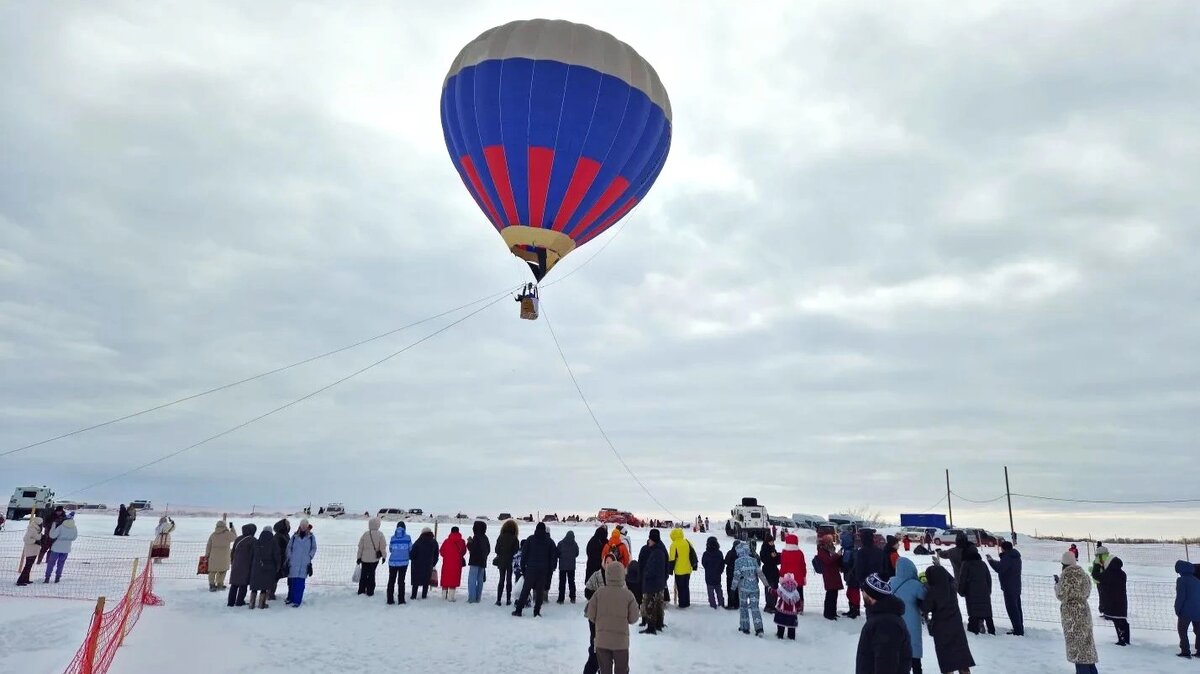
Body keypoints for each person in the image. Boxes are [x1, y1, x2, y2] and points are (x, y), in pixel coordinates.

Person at [585, 560, 641, 674]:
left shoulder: (599, 593)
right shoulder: (628, 595)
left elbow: (590, 615)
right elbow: (634, 618)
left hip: (602, 642)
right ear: (622, 575)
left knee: (605, 671)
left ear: (607, 574)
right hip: (621, 643)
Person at [855, 573, 912, 674]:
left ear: (872, 596)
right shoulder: (880, 617)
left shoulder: (886, 624)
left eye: (863, 590)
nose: (862, 593)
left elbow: (886, 666)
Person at [923, 563, 975, 674]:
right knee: (961, 655)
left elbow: (925, 608)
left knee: (946, 658)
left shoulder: (932, 591)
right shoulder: (952, 588)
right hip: (956, 625)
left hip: (941, 628)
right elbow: (951, 579)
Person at [1056, 551, 1099, 674]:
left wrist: (1057, 584)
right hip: (1084, 613)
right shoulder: (1084, 575)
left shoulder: (1066, 576)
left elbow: (1060, 595)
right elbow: (1087, 592)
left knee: (1078, 653)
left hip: (1072, 617)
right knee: (1087, 649)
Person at [513, 522, 556, 617]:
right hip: (543, 571)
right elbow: (553, 558)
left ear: (536, 529)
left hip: (531, 569)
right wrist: (550, 571)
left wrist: (523, 569)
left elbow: (524, 555)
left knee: (525, 590)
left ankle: (518, 610)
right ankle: (536, 612)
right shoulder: (550, 542)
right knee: (540, 592)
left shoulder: (530, 539)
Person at [891, 558, 926, 674]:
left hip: (894, 623)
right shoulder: (915, 585)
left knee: (897, 656)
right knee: (914, 655)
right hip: (912, 624)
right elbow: (925, 597)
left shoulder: (890, 582)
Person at [986, 541, 1024, 636]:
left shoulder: (1007, 558)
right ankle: (1019, 627)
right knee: (1017, 608)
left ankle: (1018, 631)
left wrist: (990, 561)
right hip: (1016, 585)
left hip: (1009, 587)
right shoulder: (1015, 556)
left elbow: (1000, 568)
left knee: (1012, 609)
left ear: (1003, 548)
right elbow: (1004, 566)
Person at [732, 541, 768, 637]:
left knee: (743, 607)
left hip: (743, 588)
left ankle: (745, 627)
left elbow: (736, 576)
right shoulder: (753, 560)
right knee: (755, 608)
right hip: (755, 588)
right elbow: (760, 573)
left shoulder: (738, 562)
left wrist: (733, 588)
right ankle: (759, 629)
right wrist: (766, 584)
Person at [637, 529, 668, 633]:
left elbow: (651, 568)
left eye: (650, 539)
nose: (648, 540)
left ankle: (651, 627)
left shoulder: (656, 551)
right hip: (659, 582)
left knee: (650, 604)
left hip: (653, 583)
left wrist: (645, 575)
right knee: (658, 603)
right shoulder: (661, 549)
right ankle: (659, 624)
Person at [957, 547, 994, 635]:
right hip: (984, 592)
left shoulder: (966, 564)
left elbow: (963, 579)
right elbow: (988, 578)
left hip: (971, 592)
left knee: (974, 612)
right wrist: (988, 590)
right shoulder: (983, 564)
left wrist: (961, 591)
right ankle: (991, 630)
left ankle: (974, 629)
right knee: (987, 612)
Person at [1097, 552, 1129, 646]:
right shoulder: (1123, 574)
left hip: (1111, 602)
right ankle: (1126, 639)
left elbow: (1098, 577)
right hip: (1122, 601)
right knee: (1122, 620)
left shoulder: (1108, 573)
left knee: (1116, 621)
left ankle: (1121, 640)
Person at [286, 519, 316, 608]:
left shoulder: (311, 537)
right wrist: (290, 557)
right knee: (292, 583)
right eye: (302, 526)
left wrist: (309, 556)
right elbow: (289, 547)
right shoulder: (294, 536)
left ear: (307, 527)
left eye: (305, 526)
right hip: (293, 562)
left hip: (304, 563)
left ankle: (297, 601)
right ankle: (291, 598)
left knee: (300, 583)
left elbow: (314, 548)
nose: (303, 527)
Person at [355, 517, 387, 597]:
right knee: (372, 575)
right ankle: (370, 591)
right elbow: (383, 547)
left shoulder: (365, 534)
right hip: (374, 559)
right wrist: (384, 556)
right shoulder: (380, 534)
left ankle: (361, 590)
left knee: (364, 575)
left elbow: (360, 547)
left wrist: (358, 557)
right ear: (378, 525)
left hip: (364, 559)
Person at [249, 527, 280, 610]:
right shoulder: (273, 542)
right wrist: (278, 566)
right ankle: (261, 604)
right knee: (264, 586)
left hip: (256, 566)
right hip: (268, 567)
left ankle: (251, 604)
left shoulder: (257, 541)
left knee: (255, 586)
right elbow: (277, 555)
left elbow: (252, 554)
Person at [227, 523, 257, 607]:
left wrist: (233, 562)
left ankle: (230, 602)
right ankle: (239, 601)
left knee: (234, 585)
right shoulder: (253, 540)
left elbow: (233, 552)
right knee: (243, 585)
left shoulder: (238, 539)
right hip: (246, 566)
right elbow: (254, 555)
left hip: (236, 565)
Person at [667, 528, 698, 608]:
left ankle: (682, 604)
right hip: (688, 569)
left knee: (680, 588)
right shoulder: (687, 542)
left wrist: (669, 571)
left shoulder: (674, 545)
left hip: (679, 570)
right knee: (686, 587)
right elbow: (692, 554)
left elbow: (672, 559)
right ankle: (687, 603)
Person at [44, 512, 78, 583]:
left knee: (51, 563)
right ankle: (57, 578)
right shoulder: (74, 528)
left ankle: (47, 578)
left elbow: (52, 535)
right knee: (61, 564)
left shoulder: (61, 527)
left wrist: (53, 526)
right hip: (66, 549)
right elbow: (74, 538)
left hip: (56, 548)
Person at [205, 518, 237, 592]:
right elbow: (235, 537)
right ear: (224, 526)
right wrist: (232, 528)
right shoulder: (227, 534)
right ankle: (220, 584)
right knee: (222, 571)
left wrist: (207, 555)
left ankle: (212, 585)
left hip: (213, 557)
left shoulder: (213, 535)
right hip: (224, 557)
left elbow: (208, 545)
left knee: (212, 571)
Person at [1176, 559, 1200, 658]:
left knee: (1182, 630)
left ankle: (1185, 651)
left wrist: (1177, 609)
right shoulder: (1197, 580)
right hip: (1198, 611)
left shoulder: (1181, 580)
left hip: (1186, 611)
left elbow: (1181, 597)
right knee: (1199, 631)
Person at [817, 535, 844, 620]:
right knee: (830, 595)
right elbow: (828, 561)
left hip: (834, 574)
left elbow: (834, 560)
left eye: (831, 541)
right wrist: (837, 555)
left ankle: (833, 612)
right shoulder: (821, 551)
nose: (831, 543)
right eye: (829, 541)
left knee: (834, 594)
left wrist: (839, 556)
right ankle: (828, 613)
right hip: (829, 574)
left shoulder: (830, 550)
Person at [779, 534, 807, 614]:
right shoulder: (800, 553)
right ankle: (800, 608)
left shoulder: (784, 552)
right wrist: (804, 575)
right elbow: (803, 565)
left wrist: (781, 576)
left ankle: (789, 607)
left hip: (788, 578)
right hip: (798, 576)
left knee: (788, 593)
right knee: (799, 593)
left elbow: (783, 566)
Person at [465, 520, 491, 604]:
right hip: (483, 561)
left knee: (472, 580)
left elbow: (473, 548)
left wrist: (469, 543)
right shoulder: (485, 537)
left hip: (474, 561)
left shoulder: (476, 537)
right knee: (480, 580)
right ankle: (478, 598)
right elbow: (488, 549)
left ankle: (472, 599)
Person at [494, 519, 519, 606]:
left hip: (501, 561)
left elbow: (496, 550)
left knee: (501, 579)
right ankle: (508, 600)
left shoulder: (500, 537)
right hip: (510, 561)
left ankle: (498, 600)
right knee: (509, 580)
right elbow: (516, 551)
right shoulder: (515, 538)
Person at [439, 525, 467, 601]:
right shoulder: (462, 542)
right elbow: (463, 552)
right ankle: (451, 597)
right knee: (454, 579)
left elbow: (441, 552)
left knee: (445, 579)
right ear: (458, 532)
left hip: (447, 563)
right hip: (457, 564)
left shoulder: (446, 541)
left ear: (451, 532)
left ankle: (443, 596)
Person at [409, 527, 438, 600]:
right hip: (428, 565)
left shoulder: (418, 541)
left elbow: (412, 555)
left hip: (417, 565)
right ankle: (424, 596)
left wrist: (413, 559)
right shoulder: (434, 542)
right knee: (426, 581)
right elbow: (436, 555)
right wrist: (433, 563)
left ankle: (413, 595)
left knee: (416, 581)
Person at [386, 522, 411, 605]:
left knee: (391, 581)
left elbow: (390, 549)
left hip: (392, 562)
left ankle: (390, 599)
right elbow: (410, 548)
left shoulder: (393, 538)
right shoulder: (408, 538)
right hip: (404, 562)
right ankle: (401, 600)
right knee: (401, 581)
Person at [16, 514, 43, 586]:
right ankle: (20, 581)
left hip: (34, 550)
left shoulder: (37, 529)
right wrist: (35, 541)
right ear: (38, 523)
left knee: (29, 566)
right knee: (27, 566)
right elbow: (26, 539)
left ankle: (26, 579)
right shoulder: (32, 529)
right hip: (30, 550)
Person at [774, 573, 801, 640]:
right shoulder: (795, 592)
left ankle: (780, 635)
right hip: (792, 612)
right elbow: (797, 601)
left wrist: (770, 590)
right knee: (791, 625)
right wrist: (798, 608)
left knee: (781, 624)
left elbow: (775, 593)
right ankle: (791, 636)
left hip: (781, 611)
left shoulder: (782, 590)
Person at [701, 536, 725, 609]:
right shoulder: (719, 553)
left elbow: (703, 563)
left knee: (710, 591)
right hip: (717, 575)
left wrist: (708, 569)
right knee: (719, 590)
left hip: (708, 575)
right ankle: (721, 604)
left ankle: (712, 605)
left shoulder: (706, 553)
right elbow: (722, 564)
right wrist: (720, 571)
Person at [842, 529, 861, 619]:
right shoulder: (847, 550)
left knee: (853, 593)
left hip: (853, 576)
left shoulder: (852, 551)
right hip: (850, 575)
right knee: (850, 593)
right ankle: (852, 609)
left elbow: (851, 564)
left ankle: (855, 610)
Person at [556, 530, 579, 604]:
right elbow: (577, 553)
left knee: (562, 582)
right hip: (571, 567)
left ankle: (561, 599)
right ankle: (573, 597)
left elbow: (557, 553)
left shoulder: (560, 543)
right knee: (571, 582)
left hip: (562, 566)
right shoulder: (575, 544)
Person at [270, 519, 290, 600]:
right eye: (287, 525)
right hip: (279, 561)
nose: (289, 526)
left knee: (276, 578)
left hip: (284, 560)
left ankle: (271, 593)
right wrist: (279, 562)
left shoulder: (285, 535)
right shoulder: (278, 536)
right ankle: (270, 594)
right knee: (274, 578)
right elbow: (276, 551)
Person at [760, 537, 780, 613]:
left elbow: (776, 561)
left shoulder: (772, 548)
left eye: (772, 541)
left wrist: (777, 556)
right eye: (770, 542)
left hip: (774, 571)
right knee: (769, 589)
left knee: (775, 588)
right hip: (768, 571)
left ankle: (773, 605)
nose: (772, 543)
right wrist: (771, 556)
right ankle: (769, 606)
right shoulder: (764, 549)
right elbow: (764, 559)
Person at [724, 541, 740, 610]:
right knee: (737, 590)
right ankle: (737, 604)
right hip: (739, 575)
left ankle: (731, 604)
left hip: (731, 574)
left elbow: (726, 561)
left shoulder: (730, 553)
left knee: (730, 590)